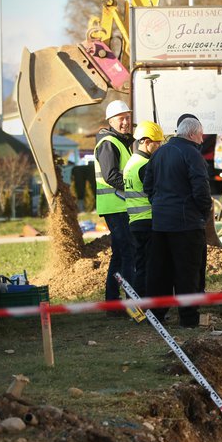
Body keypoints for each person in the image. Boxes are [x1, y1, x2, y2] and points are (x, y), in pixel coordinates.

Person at [143, 115, 212, 328]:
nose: (202, 140)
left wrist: (160, 205)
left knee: (159, 272)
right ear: (192, 134)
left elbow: (148, 185)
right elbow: (201, 189)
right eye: (201, 135)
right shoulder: (192, 154)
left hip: (161, 223)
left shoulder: (160, 152)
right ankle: (189, 317)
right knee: (188, 273)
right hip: (187, 225)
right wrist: (203, 212)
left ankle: (156, 314)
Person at [95, 100, 135, 310]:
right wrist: (134, 188)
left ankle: (112, 301)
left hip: (118, 206)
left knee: (120, 255)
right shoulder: (109, 143)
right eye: (121, 119)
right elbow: (111, 176)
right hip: (116, 207)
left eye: (128, 117)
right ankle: (131, 302)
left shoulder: (119, 142)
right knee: (128, 253)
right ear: (111, 121)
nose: (126, 122)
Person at [122, 120, 164, 297]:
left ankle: (139, 306)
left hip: (135, 222)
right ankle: (148, 308)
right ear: (146, 142)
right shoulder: (144, 166)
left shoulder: (132, 162)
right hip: (148, 221)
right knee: (150, 268)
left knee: (141, 267)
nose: (160, 146)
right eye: (157, 143)